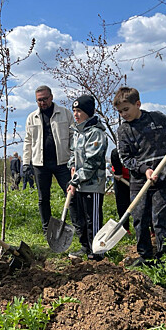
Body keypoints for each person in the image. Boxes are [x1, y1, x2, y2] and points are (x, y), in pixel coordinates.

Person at [114, 87, 166, 266]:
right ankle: (144, 255)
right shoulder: (123, 131)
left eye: (126, 109)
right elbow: (125, 158)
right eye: (120, 112)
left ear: (138, 104)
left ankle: (163, 257)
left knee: (161, 218)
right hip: (140, 180)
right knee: (140, 219)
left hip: (164, 178)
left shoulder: (156, 118)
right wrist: (144, 170)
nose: (123, 114)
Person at [22, 85, 74, 234]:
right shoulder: (32, 118)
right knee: (43, 198)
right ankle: (47, 229)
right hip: (40, 164)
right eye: (39, 100)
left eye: (45, 99)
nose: (42, 103)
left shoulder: (65, 114)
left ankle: (77, 226)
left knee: (70, 194)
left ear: (51, 97)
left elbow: (73, 136)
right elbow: (28, 141)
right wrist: (26, 163)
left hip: (63, 161)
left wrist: (73, 157)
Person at [66, 95, 107, 261]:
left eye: (79, 111)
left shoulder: (96, 134)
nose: (75, 114)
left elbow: (92, 163)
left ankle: (97, 251)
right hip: (80, 183)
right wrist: (71, 165)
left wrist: (75, 179)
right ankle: (85, 246)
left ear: (88, 113)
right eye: (74, 110)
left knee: (93, 219)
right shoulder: (78, 132)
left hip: (93, 184)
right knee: (81, 218)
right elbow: (74, 154)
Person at [110, 148, 131, 232]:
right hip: (121, 178)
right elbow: (115, 154)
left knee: (144, 204)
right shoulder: (118, 151)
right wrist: (118, 173)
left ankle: (152, 230)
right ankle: (125, 229)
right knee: (122, 203)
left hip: (139, 176)